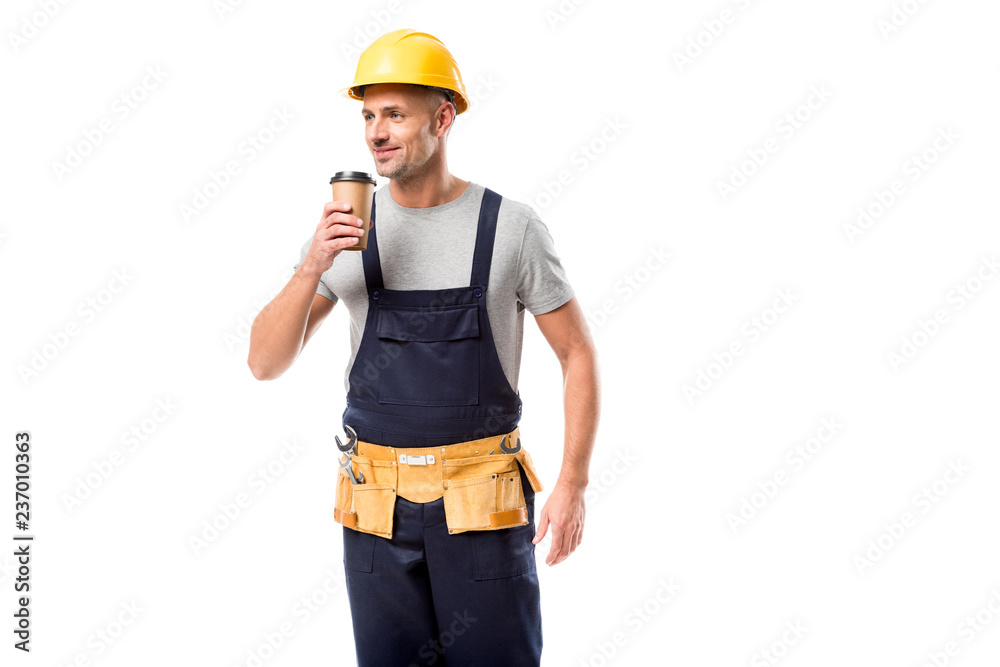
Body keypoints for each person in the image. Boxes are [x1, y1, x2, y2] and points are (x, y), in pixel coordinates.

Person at [247, 28, 600, 666]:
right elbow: (264, 364)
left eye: (394, 115)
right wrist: (311, 267)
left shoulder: (510, 228)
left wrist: (572, 482)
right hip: (375, 507)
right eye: (367, 115)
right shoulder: (349, 232)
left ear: (442, 118)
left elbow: (577, 353)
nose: (375, 132)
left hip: (481, 503)